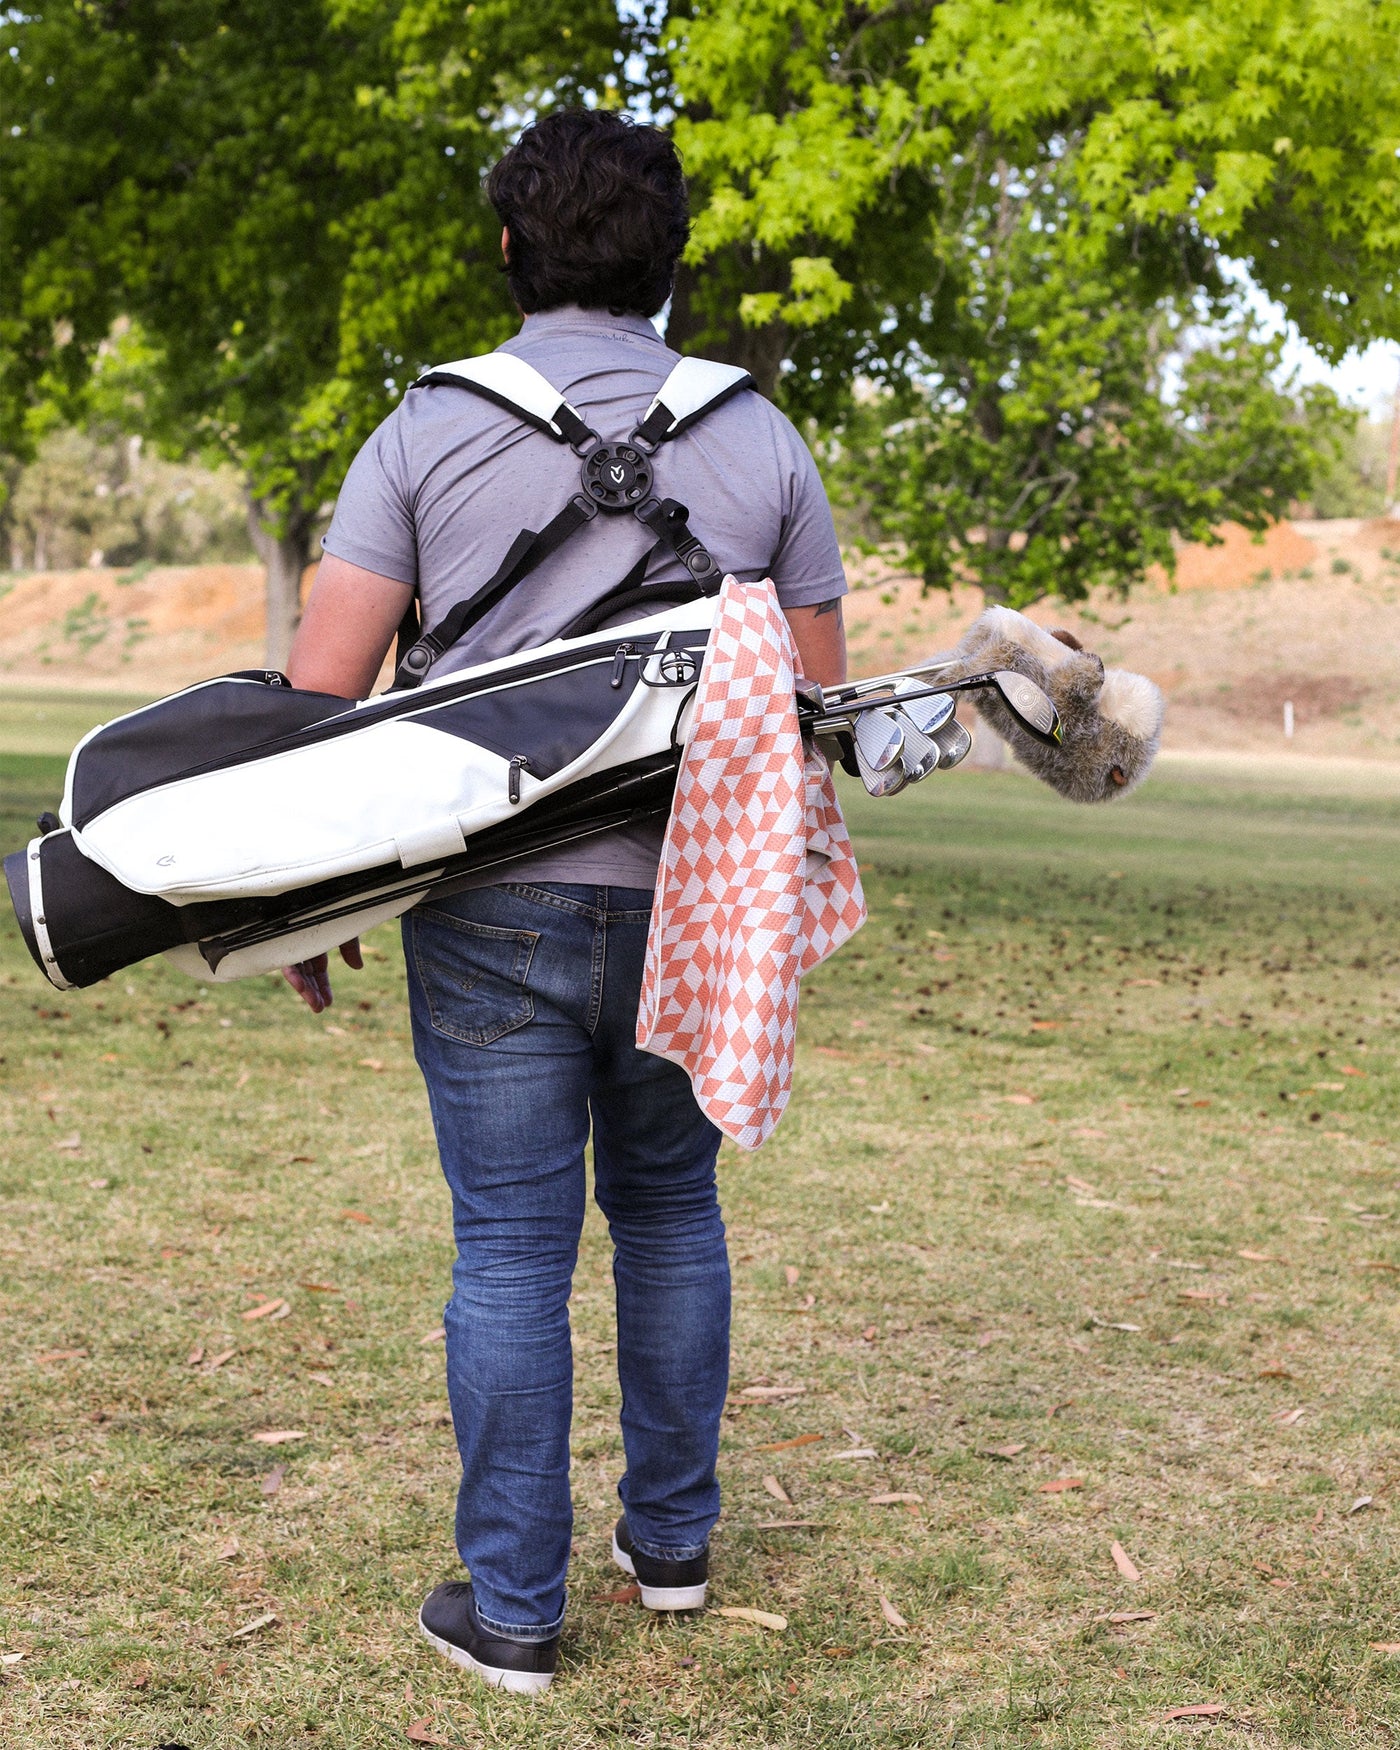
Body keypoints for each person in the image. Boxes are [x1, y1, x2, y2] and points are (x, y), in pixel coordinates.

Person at [281, 108, 848, 1694]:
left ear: (510, 249)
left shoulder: (423, 432)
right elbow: (816, 715)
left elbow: (321, 697)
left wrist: (305, 910)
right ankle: (667, 1546)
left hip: (490, 907)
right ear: (669, 265)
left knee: (512, 1250)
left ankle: (515, 1613)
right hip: (697, 900)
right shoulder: (762, 437)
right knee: (673, 1213)